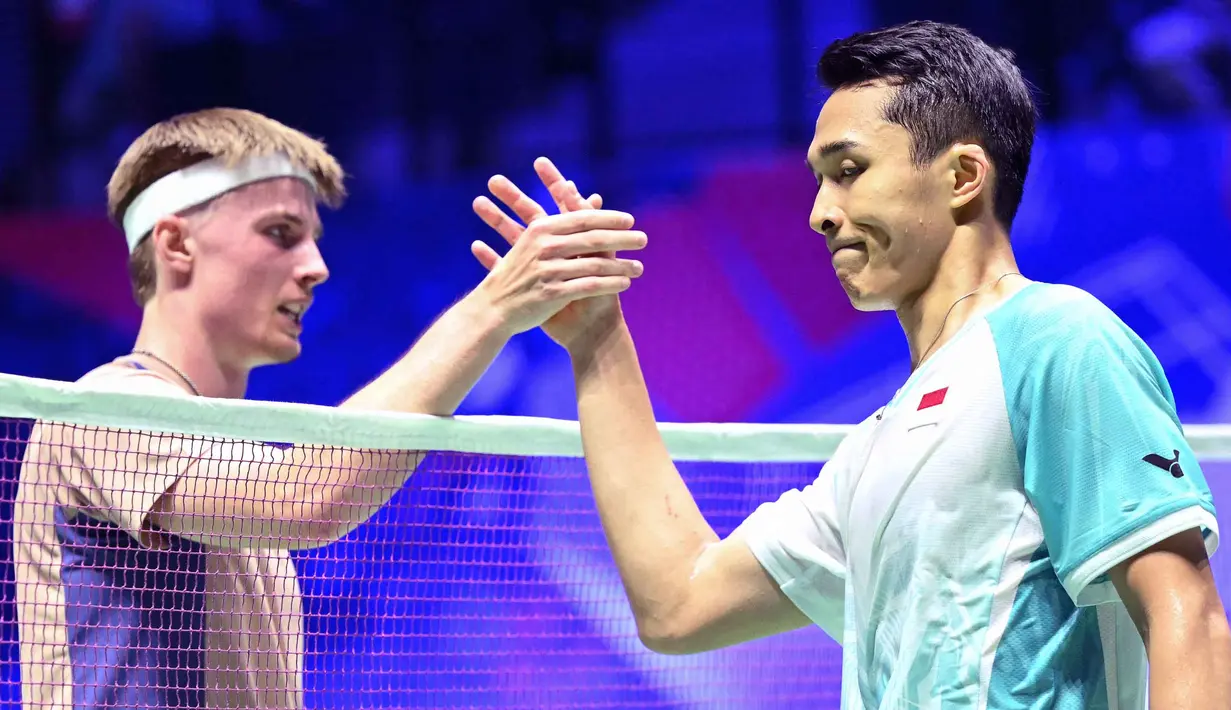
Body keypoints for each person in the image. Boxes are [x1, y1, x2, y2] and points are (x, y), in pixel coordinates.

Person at [474, 21, 1231, 709]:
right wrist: (597, 340)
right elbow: (679, 605)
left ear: (963, 176)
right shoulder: (874, 448)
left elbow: (1187, 618)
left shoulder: (1058, 341)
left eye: (849, 169)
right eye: (818, 177)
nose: (819, 211)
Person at [14, 107, 646, 709]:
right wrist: (495, 308)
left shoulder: (231, 464)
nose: (316, 267)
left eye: (314, 240)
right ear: (177, 244)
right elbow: (311, 500)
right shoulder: (104, 412)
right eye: (280, 234)